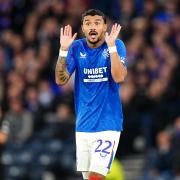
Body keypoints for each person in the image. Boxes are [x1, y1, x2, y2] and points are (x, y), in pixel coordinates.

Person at [55, 9, 127, 180]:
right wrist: (63, 51)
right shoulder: (76, 47)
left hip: (107, 124)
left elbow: (119, 77)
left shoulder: (116, 45)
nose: (92, 27)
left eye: (97, 23)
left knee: (96, 176)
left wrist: (111, 48)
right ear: (83, 28)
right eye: (88, 23)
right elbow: (60, 79)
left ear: (104, 27)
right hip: (83, 125)